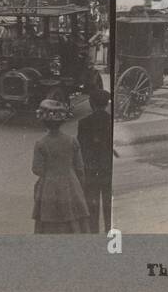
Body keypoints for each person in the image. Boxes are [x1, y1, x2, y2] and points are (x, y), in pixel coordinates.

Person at [31, 99, 89, 234]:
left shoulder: (40, 143)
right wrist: (81, 186)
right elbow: (80, 167)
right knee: (72, 219)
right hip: (70, 184)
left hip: (49, 186)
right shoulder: (72, 140)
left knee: (49, 221)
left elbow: (36, 169)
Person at [78, 89, 115, 233]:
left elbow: (81, 147)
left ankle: (94, 232)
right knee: (108, 203)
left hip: (91, 169)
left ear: (90, 103)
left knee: (92, 204)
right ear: (106, 104)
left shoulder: (84, 123)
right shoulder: (110, 121)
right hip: (107, 168)